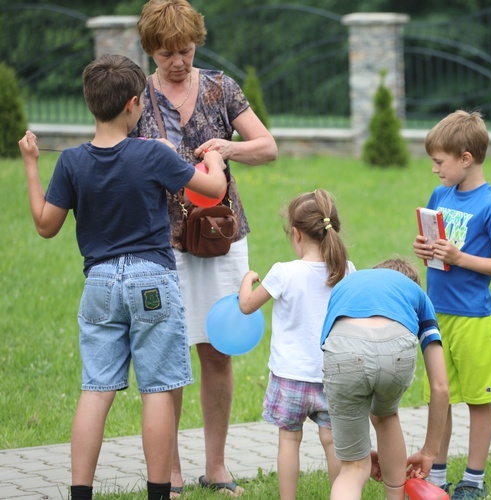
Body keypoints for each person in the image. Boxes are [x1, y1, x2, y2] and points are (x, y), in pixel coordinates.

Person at [17, 54, 227, 500]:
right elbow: (212, 193)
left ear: (90, 104)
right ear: (135, 104)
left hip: (99, 286)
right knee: (157, 388)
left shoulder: (71, 163)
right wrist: (216, 161)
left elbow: (44, 224)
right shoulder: (152, 153)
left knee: (96, 390)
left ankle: (80, 494)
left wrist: (32, 164)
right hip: (152, 280)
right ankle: (158, 493)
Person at [131, 1, 278, 496]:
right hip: (160, 242)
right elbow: (113, 158)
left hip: (221, 237)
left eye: (187, 50)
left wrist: (226, 146)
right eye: (168, 53)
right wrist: (153, 158)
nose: (179, 61)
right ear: (150, 49)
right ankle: (168, 474)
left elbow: (268, 146)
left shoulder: (220, 87)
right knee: (167, 355)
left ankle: (216, 468)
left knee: (218, 352)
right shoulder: (135, 96)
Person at [412, 110, 491, 499]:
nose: (435, 170)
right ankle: (436, 474)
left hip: (473, 318)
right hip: (435, 313)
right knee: (441, 395)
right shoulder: (440, 195)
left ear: (466, 158)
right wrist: (426, 250)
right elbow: (435, 251)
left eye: (440, 162)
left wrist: (460, 258)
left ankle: (473, 481)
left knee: (477, 399)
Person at [237, 189, 355, 499]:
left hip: (290, 377)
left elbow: (247, 306)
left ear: (297, 234)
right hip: (332, 375)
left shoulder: (283, 273)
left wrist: (247, 278)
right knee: (332, 442)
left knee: (289, 441)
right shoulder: (347, 270)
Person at [320, 258, 450, 500]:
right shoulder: (417, 295)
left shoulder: (348, 286)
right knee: (386, 415)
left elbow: (343, 355)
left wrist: (356, 452)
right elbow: (440, 387)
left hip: (343, 347)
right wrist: (430, 451)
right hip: (396, 348)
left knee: (352, 470)